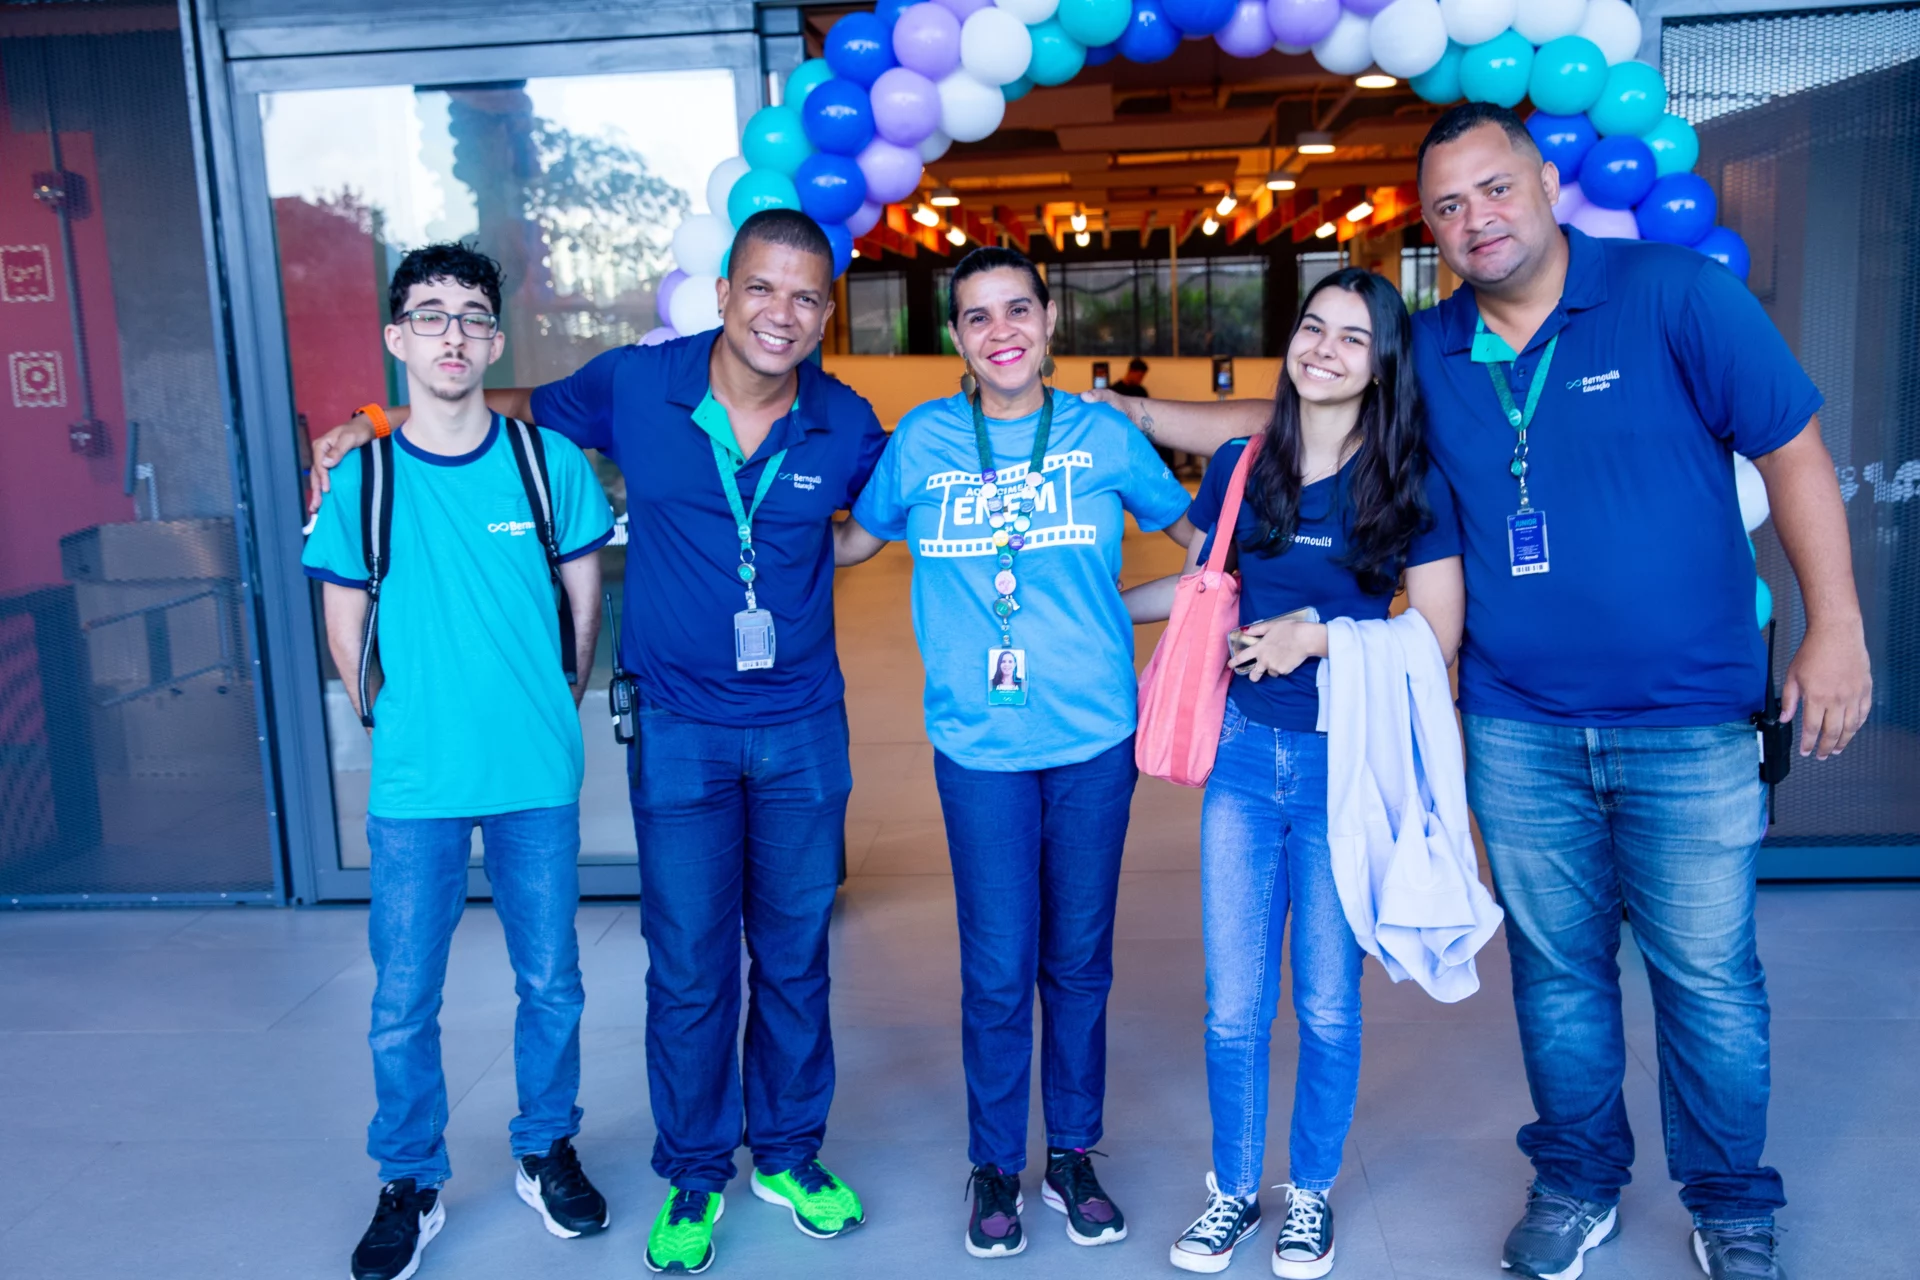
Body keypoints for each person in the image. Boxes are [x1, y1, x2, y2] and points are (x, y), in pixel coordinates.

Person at [1083, 103, 1872, 1280]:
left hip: (1691, 716)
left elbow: (1793, 446)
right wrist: (1139, 413)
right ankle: (1578, 1181)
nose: (1475, 219)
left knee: (1708, 976)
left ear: (1545, 181)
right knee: (1557, 974)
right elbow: (1301, 413)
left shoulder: (1674, 296)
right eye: (1448, 206)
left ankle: (1731, 1204)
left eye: (1494, 189)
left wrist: (1836, 626)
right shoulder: (1430, 348)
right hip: (1516, 720)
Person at [307, 210, 888, 1276]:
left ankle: (790, 1153)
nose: (782, 313)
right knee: (691, 964)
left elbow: (881, 515)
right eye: (763, 287)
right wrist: (376, 418)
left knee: (796, 956)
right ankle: (696, 1170)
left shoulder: (843, 418)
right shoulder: (638, 383)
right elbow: (512, 403)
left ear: (824, 315)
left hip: (803, 727)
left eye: (807, 297)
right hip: (679, 729)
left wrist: (828, 545)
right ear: (724, 292)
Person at [832, 246, 1195, 1260]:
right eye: (979, 316)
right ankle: (995, 1163)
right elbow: (854, 543)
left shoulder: (1102, 435)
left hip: (1093, 738)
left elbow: (1201, 543)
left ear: (1048, 321)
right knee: (997, 968)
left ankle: (1072, 1152)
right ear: (957, 336)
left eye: (1018, 309)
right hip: (978, 745)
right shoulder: (923, 439)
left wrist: (1136, 609)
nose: (1002, 331)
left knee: (1078, 960)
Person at [1122, 268, 1465, 1278]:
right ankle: (1233, 1190)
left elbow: (1437, 634)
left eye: (1353, 338)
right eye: (1314, 327)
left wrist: (1316, 636)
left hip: (1341, 768)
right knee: (1233, 1005)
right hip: (1239, 759)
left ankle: (1308, 1192)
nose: (1324, 348)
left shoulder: (1409, 479)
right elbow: (1198, 587)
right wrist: (1088, 607)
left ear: (1382, 365)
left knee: (1325, 1003)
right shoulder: (1241, 464)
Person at [303, 243, 614, 1280]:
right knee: (402, 998)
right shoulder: (365, 476)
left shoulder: (546, 462)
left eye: (472, 315)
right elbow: (345, 628)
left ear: (494, 339)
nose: (452, 333)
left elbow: (582, 611)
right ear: (398, 338)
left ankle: (546, 1147)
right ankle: (409, 1178)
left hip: (534, 777)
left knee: (552, 981)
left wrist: (547, 711)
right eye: (430, 315)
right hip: (416, 785)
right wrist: (394, 720)